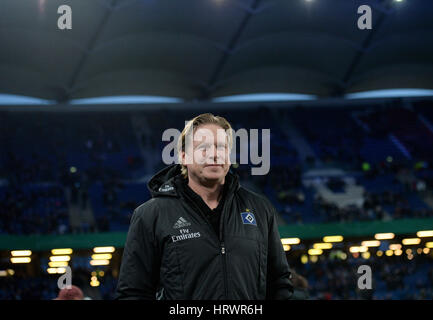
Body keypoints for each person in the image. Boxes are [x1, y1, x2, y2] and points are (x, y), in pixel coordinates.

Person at [116, 113, 308, 300]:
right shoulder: (150, 215)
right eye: (203, 147)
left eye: (221, 147)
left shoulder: (260, 209)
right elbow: (133, 293)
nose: (214, 154)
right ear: (183, 157)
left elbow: (280, 283)